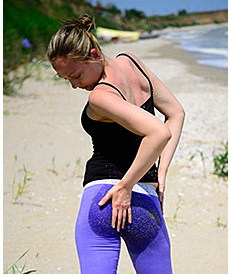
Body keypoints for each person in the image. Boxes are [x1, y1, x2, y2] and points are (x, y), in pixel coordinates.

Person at [47, 14, 185, 274]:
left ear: (94, 53)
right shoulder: (131, 62)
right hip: (146, 202)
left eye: (76, 75)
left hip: (104, 200)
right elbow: (176, 113)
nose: (75, 85)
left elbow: (158, 133)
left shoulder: (101, 96)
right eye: (66, 79)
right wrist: (161, 171)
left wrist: (124, 186)